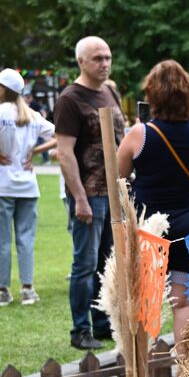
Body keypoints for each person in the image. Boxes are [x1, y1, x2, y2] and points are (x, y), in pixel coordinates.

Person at [116, 60, 189, 349]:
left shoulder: (140, 134)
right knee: (182, 301)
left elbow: (119, 177)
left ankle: (144, 374)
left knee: (144, 300)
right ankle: (185, 371)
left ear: (152, 95)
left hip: (150, 228)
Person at [53, 35, 125, 351]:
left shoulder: (110, 92)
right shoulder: (70, 99)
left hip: (115, 191)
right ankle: (80, 329)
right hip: (89, 193)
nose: (105, 63)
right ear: (81, 61)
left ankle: (102, 322)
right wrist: (79, 198)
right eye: (97, 58)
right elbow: (64, 153)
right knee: (84, 263)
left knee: (107, 261)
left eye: (107, 57)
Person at [0, 68, 55, 306]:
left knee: (1, 240)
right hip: (27, 186)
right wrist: (36, 151)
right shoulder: (32, 114)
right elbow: (59, 134)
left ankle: (2, 290)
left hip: (0, 185)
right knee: (26, 239)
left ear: (6, 90)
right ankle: (28, 288)